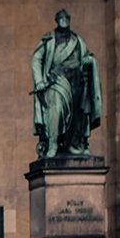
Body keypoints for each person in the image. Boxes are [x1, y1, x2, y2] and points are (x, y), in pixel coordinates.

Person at [31, 9, 102, 159]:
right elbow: (36, 58)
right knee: (55, 107)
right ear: (56, 20)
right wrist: (39, 81)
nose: (64, 21)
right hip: (55, 81)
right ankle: (53, 143)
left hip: (75, 81)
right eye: (61, 18)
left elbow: (87, 56)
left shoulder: (77, 41)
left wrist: (90, 61)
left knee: (77, 113)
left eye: (66, 18)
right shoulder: (49, 40)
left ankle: (73, 144)